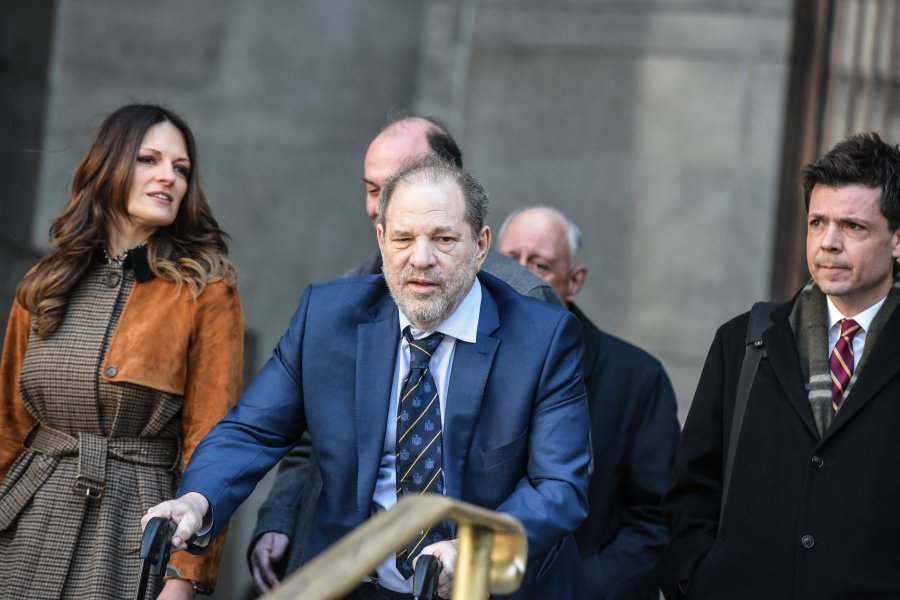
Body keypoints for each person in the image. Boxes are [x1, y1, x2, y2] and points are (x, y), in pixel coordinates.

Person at [144, 156, 592, 600]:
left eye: (443, 239)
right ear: (381, 239)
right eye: (403, 238)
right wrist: (196, 500)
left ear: (480, 246)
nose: (422, 258)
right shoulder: (326, 317)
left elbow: (558, 486)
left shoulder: (542, 337)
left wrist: (477, 549)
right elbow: (253, 429)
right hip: (355, 584)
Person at [248, 114, 562, 594]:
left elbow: (553, 468)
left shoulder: (528, 303)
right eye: (372, 189)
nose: (381, 206)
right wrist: (281, 515)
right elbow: (303, 430)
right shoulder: (342, 298)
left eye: (398, 183)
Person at [0, 104, 244, 599]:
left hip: (134, 531)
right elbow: (7, 424)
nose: (168, 177)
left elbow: (213, 442)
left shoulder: (206, 289)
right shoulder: (43, 283)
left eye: (181, 169)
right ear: (108, 165)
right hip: (25, 519)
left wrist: (185, 576)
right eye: (149, 160)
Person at [659, 132, 900, 599]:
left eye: (853, 227)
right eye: (817, 222)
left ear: (896, 241)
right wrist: (695, 574)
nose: (828, 243)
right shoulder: (744, 339)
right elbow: (692, 486)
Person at [498, 206, 680, 599]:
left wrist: (580, 588)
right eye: (509, 261)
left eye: (540, 264)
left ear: (574, 282)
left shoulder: (636, 378)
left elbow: (657, 520)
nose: (519, 277)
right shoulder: (463, 359)